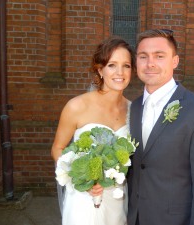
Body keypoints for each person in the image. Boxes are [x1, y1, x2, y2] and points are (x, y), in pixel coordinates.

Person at [127, 29, 194, 225]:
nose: (150, 63)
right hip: (134, 216)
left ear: (175, 61)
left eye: (159, 56)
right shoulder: (134, 107)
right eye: (143, 56)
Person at [51, 36, 135, 225]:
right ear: (100, 69)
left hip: (117, 198)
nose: (120, 72)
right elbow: (57, 148)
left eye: (126, 65)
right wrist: (84, 180)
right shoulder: (76, 106)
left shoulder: (133, 110)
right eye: (112, 65)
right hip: (83, 199)